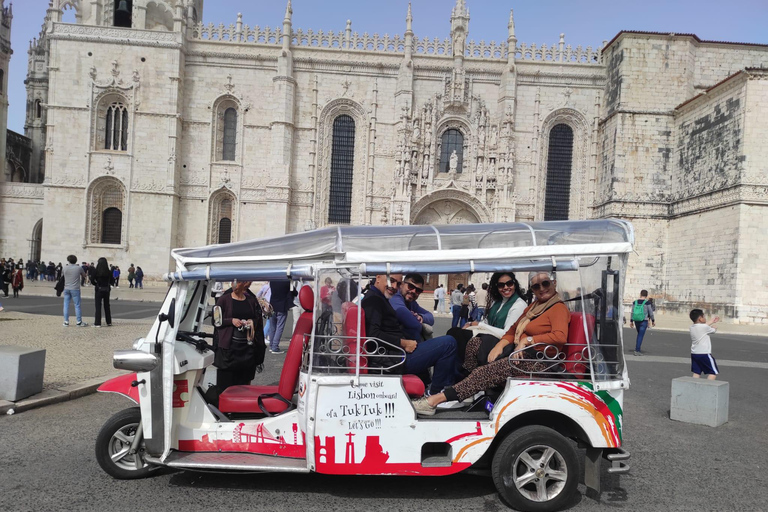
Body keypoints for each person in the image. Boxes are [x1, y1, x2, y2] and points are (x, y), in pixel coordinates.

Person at [413, 271, 570, 415]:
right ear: (532, 289)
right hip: (521, 353)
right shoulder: (533, 308)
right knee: (474, 344)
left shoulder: (557, 308)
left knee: (486, 371)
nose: (541, 288)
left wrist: (528, 340)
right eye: (536, 286)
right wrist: (500, 345)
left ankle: (434, 400)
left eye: (545, 283)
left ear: (554, 283)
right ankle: (467, 390)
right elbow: (512, 330)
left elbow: (560, 336)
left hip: (538, 361)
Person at [362, 274, 458, 396]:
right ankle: (438, 394)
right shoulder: (374, 300)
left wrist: (419, 318)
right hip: (394, 359)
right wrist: (403, 343)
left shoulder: (380, 298)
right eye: (391, 281)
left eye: (397, 283)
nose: (394, 286)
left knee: (451, 336)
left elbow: (428, 317)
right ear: (378, 277)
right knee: (449, 343)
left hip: (393, 355)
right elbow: (372, 333)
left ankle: (441, 386)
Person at [447, 272, 528, 367]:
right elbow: (486, 321)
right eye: (501, 285)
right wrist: (470, 324)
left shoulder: (519, 305)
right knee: (453, 332)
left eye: (509, 283)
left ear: (515, 284)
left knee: (459, 337)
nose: (505, 287)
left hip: (500, 340)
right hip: (488, 335)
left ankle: (459, 373)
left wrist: (479, 325)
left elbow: (507, 333)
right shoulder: (497, 302)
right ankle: (451, 372)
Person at [214, 281, 265, 391]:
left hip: (247, 348)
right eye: (233, 282)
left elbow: (258, 321)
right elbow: (216, 320)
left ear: (244, 284)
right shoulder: (224, 299)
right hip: (229, 349)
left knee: (244, 383)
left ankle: (242, 405)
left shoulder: (251, 300)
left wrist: (252, 322)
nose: (234, 284)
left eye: (238, 282)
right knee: (225, 384)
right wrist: (231, 321)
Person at [388, 273, 435, 342]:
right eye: (410, 286)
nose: (413, 291)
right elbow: (413, 324)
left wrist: (421, 317)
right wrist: (415, 320)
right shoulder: (394, 297)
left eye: (418, 290)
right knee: (449, 342)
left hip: (412, 343)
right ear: (401, 285)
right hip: (399, 347)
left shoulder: (412, 303)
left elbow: (431, 317)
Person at [689, 309, 721, 380]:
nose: (705, 318)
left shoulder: (691, 327)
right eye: (704, 316)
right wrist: (714, 327)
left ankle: (694, 388)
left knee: (697, 372)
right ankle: (707, 388)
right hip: (704, 353)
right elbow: (712, 331)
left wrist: (711, 321)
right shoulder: (704, 327)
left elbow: (703, 326)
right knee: (713, 372)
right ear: (700, 318)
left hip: (694, 353)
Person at [267, 280, 295, 354]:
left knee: (272, 327)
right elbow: (294, 292)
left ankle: (271, 345)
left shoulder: (272, 281)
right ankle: (275, 347)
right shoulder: (286, 282)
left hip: (272, 305)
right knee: (279, 327)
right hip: (282, 306)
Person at [62, 254, 88, 327]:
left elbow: (62, 276)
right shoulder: (78, 268)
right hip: (75, 289)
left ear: (68, 260)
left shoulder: (65, 268)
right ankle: (79, 321)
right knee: (77, 305)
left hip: (66, 288)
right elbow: (84, 275)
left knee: (66, 305)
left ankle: (66, 321)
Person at [629, 289, 655, 356]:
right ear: (646, 296)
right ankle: (637, 350)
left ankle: (637, 348)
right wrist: (653, 320)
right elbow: (650, 312)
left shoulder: (635, 302)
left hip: (636, 320)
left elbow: (632, 312)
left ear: (640, 294)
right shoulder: (647, 303)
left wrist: (631, 321)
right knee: (640, 335)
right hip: (644, 320)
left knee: (639, 334)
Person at [91, 257, 113, 327]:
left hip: (99, 289)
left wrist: (96, 284)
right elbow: (112, 281)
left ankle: (97, 323)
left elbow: (92, 280)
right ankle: (109, 322)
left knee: (98, 306)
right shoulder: (109, 272)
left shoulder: (96, 271)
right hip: (106, 289)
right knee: (107, 306)